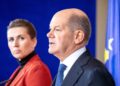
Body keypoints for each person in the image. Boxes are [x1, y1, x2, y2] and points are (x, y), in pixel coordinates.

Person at [47, 8, 115, 86]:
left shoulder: (95, 74)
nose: (49, 34)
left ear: (78, 36)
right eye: (50, 29)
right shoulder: (63, 71)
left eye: (57, 29)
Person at [6, 19, 52, 86]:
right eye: (11, 39)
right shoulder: (21, 68)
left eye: (21, 38)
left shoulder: (37, 69)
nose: (15, 44)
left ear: (34, 41)